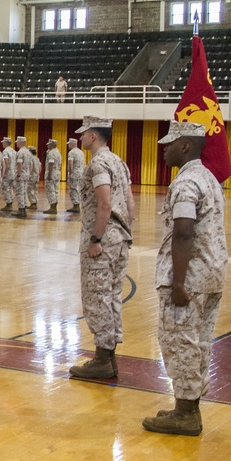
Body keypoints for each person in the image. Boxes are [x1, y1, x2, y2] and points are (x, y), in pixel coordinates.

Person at [142, 121, 227, 437]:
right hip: (212, 274)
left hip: (188, 277)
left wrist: (178, 283)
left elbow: (183, 232)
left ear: (186, 146)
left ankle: (186, 414)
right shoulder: (209, 178)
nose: (165, 149)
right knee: (200, 340)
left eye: (170, 144)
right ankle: (188, 406)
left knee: (178, 339)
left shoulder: (186, 183)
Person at [68, 116, 135, 380]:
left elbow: (104, 203)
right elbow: (129, 204)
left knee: (97, 297)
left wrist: (96, 239)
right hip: (119, 238)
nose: (81, 138)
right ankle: (109, 357)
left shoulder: (98, 164)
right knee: (112, 295)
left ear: (93, 136)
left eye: (84, 134)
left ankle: (102, 359)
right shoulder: (118, 161)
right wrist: (124, 233)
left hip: (102, 238)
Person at [14, 136, 32, 219]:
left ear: (21, 142)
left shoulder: (20, 152)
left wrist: (18, 174)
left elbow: (19, 164)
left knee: (20, 192)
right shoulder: (28, 152)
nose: (16, 143)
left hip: (21, 175)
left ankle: (21, 210)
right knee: (24, 192)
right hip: (26, 175)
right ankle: (24, 209)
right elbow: (31, 164)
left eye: (17, 142)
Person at [44, 139, 63, 215]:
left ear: (52, 145)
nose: (47, 145)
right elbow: (60, 164)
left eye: (49, 144)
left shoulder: (51, 153)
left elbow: (51, 164)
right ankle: (54, 207)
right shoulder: (58, 152)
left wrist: (49, 174)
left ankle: (52, 207)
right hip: (57, 173)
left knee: (50, 190)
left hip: (51, 173)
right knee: (55, 190)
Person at [66, 137, 85, 213]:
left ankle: (75, 205)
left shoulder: (71, 152)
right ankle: (78, 204)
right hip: (80, 173)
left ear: (72, 144)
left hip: (74, 173)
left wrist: (70, 173)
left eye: (69, 144)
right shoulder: (81, 152)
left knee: (73, 189)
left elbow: (71, 163)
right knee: (78, 189)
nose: (68, 146)